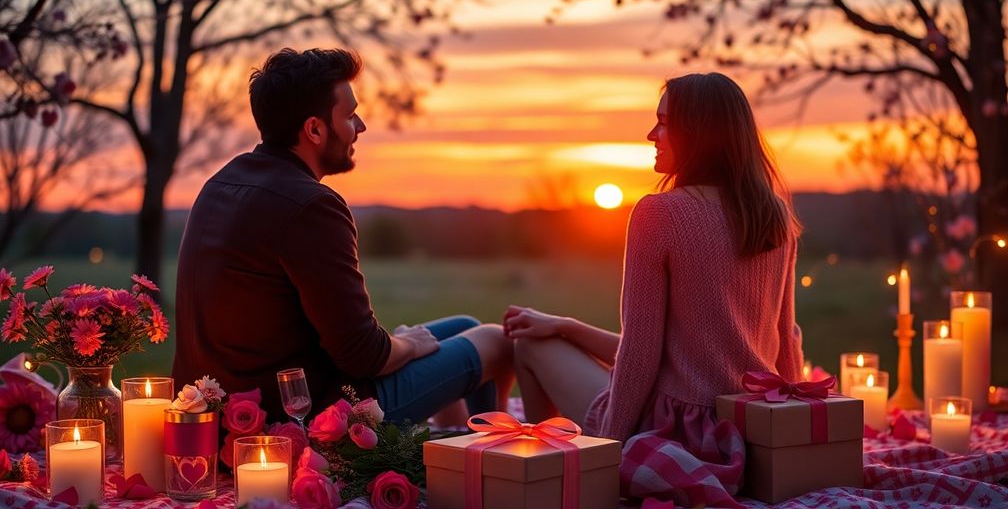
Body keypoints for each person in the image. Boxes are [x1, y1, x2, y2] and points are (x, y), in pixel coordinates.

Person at [504, 72, 803, 507]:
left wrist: (608, 449)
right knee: (547, 333)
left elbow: (642, 353)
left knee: (529, 345)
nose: (651, 135)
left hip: (672, 432)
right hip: (746, 434)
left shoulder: (660, 213)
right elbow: (783, 338)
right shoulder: (774, 216)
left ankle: (544, 479)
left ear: (698, 132)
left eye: (664, 123)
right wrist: (795, 433)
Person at [172, 48, 513, 427]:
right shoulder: (311, 206)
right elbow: (363, 356)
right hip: (309, 415)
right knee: (495, 340)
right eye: (349, 116)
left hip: (228, 409)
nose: (361, 126)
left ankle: (459, 443)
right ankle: (500, 462)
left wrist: (399, 346)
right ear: (315, 130)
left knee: (464, 325)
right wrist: (404, 346)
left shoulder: (220, 184)